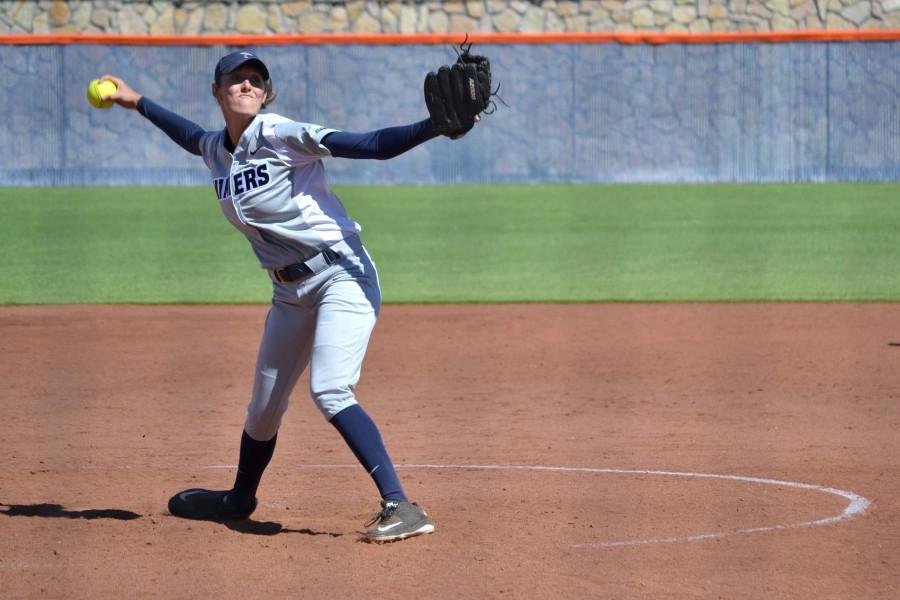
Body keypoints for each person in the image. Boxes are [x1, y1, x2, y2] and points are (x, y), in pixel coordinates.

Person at [99, 50, 470, 542]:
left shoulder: (279, 133)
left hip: (341, 275)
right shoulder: (215, 149)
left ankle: (401, 505)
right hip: (288, 293)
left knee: (331, 390)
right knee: (263, 409)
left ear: (267, 93)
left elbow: (370, 145)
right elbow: (187, 134)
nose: (248, 86)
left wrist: (433, 126)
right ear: (218, 91)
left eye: (257, 80)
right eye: (236, 79)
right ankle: (239, 500)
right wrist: (135, 101)